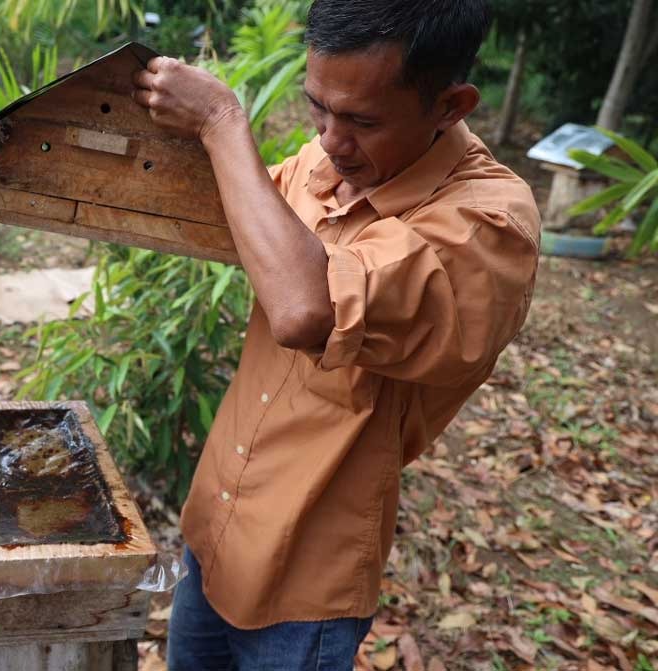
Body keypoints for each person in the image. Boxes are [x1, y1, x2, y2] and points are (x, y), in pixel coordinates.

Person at [131, 0, 540, 668]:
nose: (329, 139)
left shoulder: (484, 224)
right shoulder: (332, 164)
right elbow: (235, 222)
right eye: (318, 108)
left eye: (362, 120)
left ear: (451, 105)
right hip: (216, 527)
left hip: (304, 585)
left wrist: (223, 122)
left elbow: (302, 308)